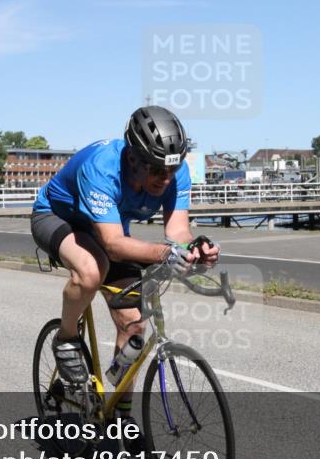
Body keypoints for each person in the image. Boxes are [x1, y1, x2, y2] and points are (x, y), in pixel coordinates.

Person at [30, 105, 219, 420]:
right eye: (157, 170)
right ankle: (65, 340)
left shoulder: (174, 172)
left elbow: (177, 231)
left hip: (108, 229)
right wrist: (163, 254)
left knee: (134, 327)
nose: (166, 178)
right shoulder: (101, 167)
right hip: (58, 218)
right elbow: (114, 246)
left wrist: (195, 249)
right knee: (91, 272)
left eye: (172, 169)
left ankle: (120, 415)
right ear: (133, 159)